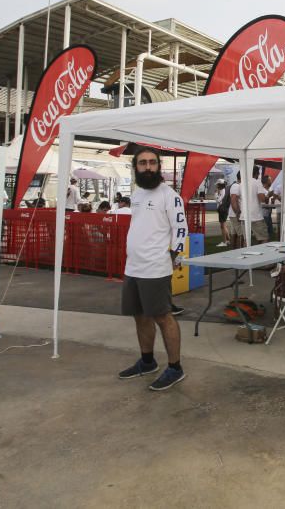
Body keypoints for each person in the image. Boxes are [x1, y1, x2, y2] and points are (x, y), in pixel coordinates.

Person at [117, 148, 189, 391]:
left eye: (152, 163)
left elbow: (181, 228)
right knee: (140, 315)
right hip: (133, 267)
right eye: (142, 163)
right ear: (135, 167)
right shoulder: (136, 193)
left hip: (155, 268)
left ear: (159, 166)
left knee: (162, 316)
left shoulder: (169, 196)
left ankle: (175, 367)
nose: (148, 167)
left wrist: (172, 255)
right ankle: (147, 361)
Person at [229, 170, 269, 247]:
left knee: (246, 240)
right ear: (256, 174)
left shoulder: (241, 184)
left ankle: (246, 257)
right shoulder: (257, 182)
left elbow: (234, 199)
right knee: (264, 238)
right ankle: (262, 257)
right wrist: (266, 197)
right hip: (256, 216)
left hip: (244, 216)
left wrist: (238, 212)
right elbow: (262, 198)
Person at [214, 180, 229, 247]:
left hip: (222, 209)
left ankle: (224, 242)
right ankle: (228, 240)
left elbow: (218, 200)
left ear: (220, 185)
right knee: (224, 225)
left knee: (222, 226)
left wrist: (216, 193)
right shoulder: (223, 190)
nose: (216, 186)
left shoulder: (222, 191)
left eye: (217, 185)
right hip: (223, 209)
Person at [261, 173, 275, 240]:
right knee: (265, 233)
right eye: (270, 180)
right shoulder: (262, 191)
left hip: (268, 214)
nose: (271, 182)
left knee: (269, 232)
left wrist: (272, 201)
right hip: (263, 214)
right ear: (266, 182)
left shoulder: (268, 190)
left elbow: (269, 204)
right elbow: (264, 203)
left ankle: (268, 244)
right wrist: (268, 196)